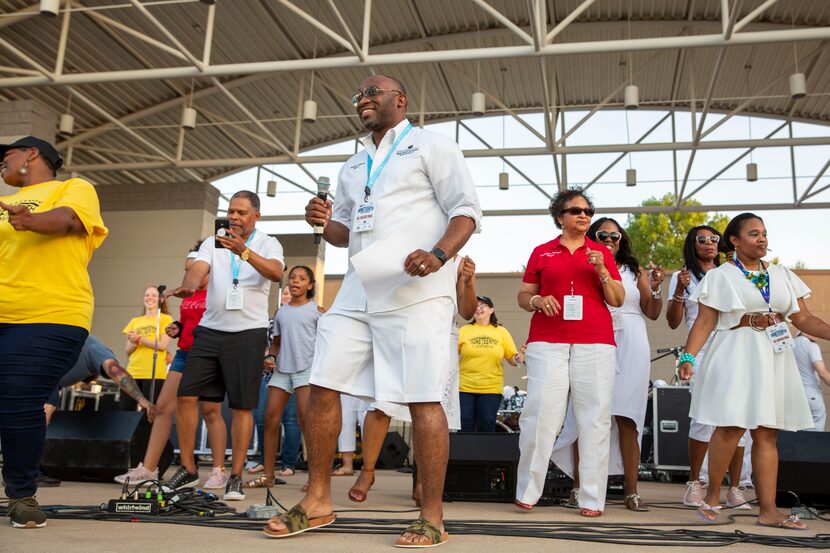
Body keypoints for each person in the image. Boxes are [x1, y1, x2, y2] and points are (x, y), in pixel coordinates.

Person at [265, 74, 480, 547]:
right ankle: (318, 500)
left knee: (423, 399)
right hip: (359, 289)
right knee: (322, 384)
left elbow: (466, 212)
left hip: (417, 288)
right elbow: (345, 231)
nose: (363, 99)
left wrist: (438, 255)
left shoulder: (431, 146)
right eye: (358, 95)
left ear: (400, 100)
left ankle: (432, 516)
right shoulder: (354, 164)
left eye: (372, 92)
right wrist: (325, 224)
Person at [678, 212, 830, 529]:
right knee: (731, 425)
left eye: (764, 233)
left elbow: (803, 319)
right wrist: (688, 358)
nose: (762, 238)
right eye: (753, 233)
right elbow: (705, 321)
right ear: (734, 240)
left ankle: (769, 510)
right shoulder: (719, 276)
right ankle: (714, 493)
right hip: (735, 351)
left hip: (774, 355)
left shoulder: (783, 275)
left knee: (767, 433)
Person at [0, 136, 107, 528]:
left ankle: (21, 495)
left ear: (32, 154)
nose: (1, 162)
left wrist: (28, 220)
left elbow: (69, 220)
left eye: (6, 154)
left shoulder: (73, 188)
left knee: (18, 399)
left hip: (50, 315)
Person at [164, 190, 284, 502]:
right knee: (187, 396)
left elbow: (275, 272)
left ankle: (235, 476)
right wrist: (189, 284)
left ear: (255, 215)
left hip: (248, 333)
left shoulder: (268, 243)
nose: (234, 217)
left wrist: (243, 251)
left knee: (242, 406)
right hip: (210, 330)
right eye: (231, 211)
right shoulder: (212, 242)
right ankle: (189, 468)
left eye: (241, 212)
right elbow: (198, 270)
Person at [514, 188, 624, 517]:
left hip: (596, 341)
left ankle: (592, 497)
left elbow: (617, 299)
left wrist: (603, 269)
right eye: (576, 210)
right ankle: (527, 491)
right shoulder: (542, 252)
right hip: (548, 340)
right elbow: (523, 295)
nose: (584, 216)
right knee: (540, 415)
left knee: (595, 419)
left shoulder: (601, 252)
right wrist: (536, 301)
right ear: (560, 216)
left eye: (588, 212)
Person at [551, 217, 664, 512]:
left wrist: (655, 288)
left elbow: (651, 312)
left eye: (616, 235)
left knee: (627, 416)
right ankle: (578, 486)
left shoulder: (632, 270)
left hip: (631, 340)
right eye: (604, 234)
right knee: (584, 415)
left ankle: (632, 490)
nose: (611, 239)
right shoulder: (580, 262)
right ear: (592, 235)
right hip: (592, 336)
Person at [347, 256, 478, 506]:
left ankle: (422, 483)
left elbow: (468, 312)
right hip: (400, 328)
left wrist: (468, 281)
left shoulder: (460, 262)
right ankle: (368, 471)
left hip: (439, 337)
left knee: (428, 411)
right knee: (382, 403)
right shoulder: (406, 247)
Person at [115, 246, 229, 490]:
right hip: (184, 354)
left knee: (211, 411)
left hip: (209, 355)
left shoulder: (219, 292)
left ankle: (219, 470)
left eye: (195, 270)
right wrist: (177, 327)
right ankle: (149, 468)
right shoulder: (188, 294)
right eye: (187, 270)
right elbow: (188, 322)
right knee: (164, 407)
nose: (191, 275)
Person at [666, 226, 750, 509]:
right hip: (699, 352)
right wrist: (679, 288)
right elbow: (673, 321)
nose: (709, 243)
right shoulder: (684, 276)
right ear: (693, 245)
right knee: (704, 417)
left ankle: (735, 487)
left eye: (714, 239)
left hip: (735, 347)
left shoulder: (733, 273)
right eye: (702, 240)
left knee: (740, 419)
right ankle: (695, 482)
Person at [245, 266, 324, 489]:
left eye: (301, 278)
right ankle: (268, 475)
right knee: (269, 419)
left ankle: (315, 478)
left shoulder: (317, 311)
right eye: (292, 278)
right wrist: (270, 355)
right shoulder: (281, 312)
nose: (295, 281)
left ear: (310, 285)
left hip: (306, 369)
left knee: (305, 419)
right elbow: (277, 343)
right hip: (282, 370)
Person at [250, 284, 302, 477]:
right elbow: (266, 345)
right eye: (285, 293)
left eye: (290, 293)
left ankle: (289, 463)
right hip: (269, 375)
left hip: (295, 374)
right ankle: (265, 461)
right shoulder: (271, 322)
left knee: (291, 420)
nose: (287, 296)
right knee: (263, 418)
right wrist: (265, 356)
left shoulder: (304, 318)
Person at [45, 335, 156, 425]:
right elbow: (114, 370)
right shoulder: (97, 351)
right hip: (45, 381)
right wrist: (142, 400)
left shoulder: (79, 357)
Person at [458, 296, 522, 432]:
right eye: (476, 305)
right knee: (464, 423)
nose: (478, 308)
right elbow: (450, 355)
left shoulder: (501, 332)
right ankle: (464, 453)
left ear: (491, 310)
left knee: (486, 423)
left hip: (491, 388)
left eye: (483, 305)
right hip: (464, 387)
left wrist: (518, 358)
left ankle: (484, 453)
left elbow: (512, 358)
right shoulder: (464, 330)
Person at [121, 286, 174, 410]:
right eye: (147, 295)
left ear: (160, 299)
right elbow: (127, 350)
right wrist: (133, 342)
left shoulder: (166, 319)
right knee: (126, 409)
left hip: (153, 373)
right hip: (133, 371)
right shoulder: (135, 321)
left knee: (150, 411)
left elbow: (162, 345)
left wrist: (140, 339)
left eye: (154, 295)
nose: (149, 298)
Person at [793, 332, 829, 431]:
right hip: (811, 394)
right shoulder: (811, 346)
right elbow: (822, 372)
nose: (817, 334)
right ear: (803, 330)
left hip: (793, 395)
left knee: (797, 433)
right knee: (814, 433)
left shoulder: (789, 345)